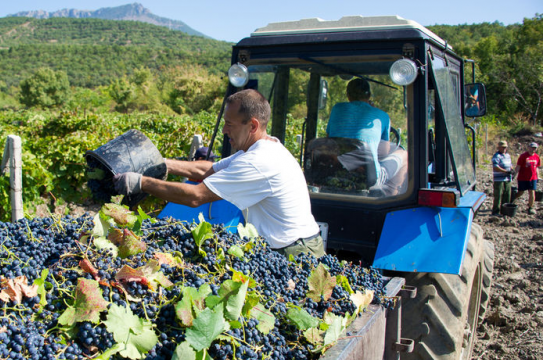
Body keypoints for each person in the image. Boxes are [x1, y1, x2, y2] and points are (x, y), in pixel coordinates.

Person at [113, 89, 325, 258]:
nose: (224, 130)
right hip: (294, 244)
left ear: (252, 125)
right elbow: (206, 169)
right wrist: (161, 164)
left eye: (229, 124)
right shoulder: (259, 148)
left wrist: (141, 182)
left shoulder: (258, 162)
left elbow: (196, 196)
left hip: (296, 252)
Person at [325, 78, 407, 196]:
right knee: (403, 154)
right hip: (366, 178)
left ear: (348, 95)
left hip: (336, 172)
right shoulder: (382, 115)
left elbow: (329, 139)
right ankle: (391, 196)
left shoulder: (336, 108)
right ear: (369, 95)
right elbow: (383, 153)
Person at [513, 142, 541, 215]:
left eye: (535, 148)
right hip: (523, 178)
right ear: (528, 147)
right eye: (532, 147)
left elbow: (537, 167)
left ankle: (530, 207)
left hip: (533, 178)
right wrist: (514, 175)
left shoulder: (536, 157)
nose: (533, 149)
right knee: (520, 192)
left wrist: (538, 177)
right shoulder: (523, 156)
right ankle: (512, 199)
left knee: (532, 192)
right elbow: (518, 166)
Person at [491, 140, 513, 216]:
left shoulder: (507, 155)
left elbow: (510, 164)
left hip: (507, 178)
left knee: (507, 194)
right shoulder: (496, 156)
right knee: (498, 195)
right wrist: (505, 171)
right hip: (499, 179)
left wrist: (511, 170)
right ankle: (496, 211)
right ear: (499, 147)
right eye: (502, 147)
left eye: (505, 147)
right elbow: (495, 167)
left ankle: (505, 211)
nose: (504, 149)